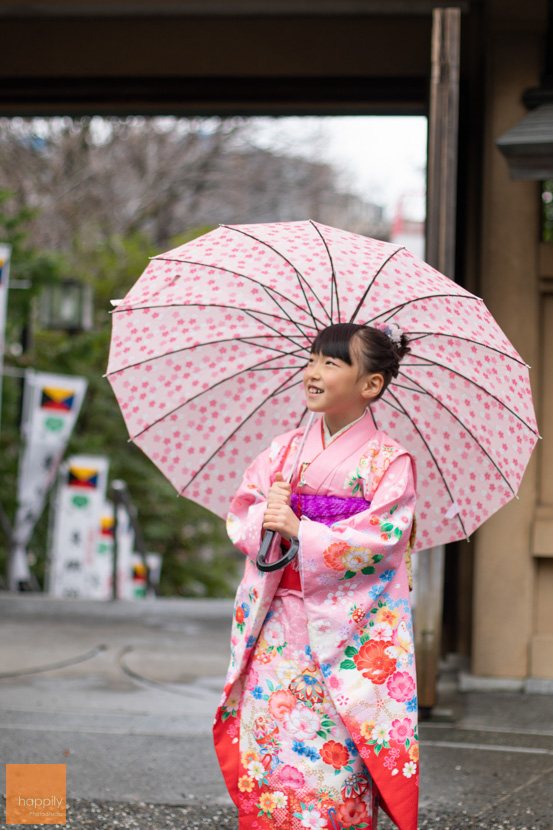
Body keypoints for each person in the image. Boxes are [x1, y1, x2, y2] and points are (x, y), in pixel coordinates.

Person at [213, 322, 418, 830]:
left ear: (370, 385)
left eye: (331, 363)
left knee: (335, 760)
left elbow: (384, 537)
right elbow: (241, 512)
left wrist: (304, 530)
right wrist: (268, 517)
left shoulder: (389, 462)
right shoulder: (281, 451)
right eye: (311, 359)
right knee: (272, 750)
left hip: (346, 641)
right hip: (279, 630)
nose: (313, 372)